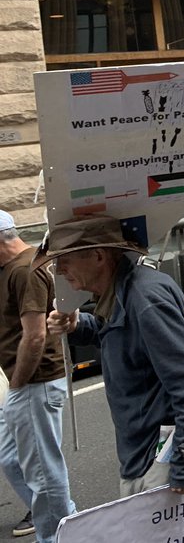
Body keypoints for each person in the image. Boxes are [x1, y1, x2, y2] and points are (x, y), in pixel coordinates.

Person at [42, 216, 184, 495]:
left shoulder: (144, 297)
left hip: (162, 458)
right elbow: (118, 335)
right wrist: (78, 325)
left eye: (66, 259)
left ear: (98, 256)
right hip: (144, 454)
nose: (60, 269)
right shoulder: (121, 290)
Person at [0, 213, 74, 543]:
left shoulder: (23, 270)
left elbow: (34, 336)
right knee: (11, 456)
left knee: (43, 472)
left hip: (34, 381)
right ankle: (63, 519)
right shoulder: (18, 265)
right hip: (28, 382)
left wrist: (16, 384)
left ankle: (60, 534)